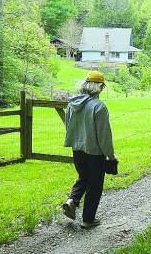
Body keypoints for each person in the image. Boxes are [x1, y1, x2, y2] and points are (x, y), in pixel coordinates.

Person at [63, 70, 115, 229]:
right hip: (95, 152)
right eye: (102, 87)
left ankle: (71, 201)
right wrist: (111, 155)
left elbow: (68, 126)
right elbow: (104, 135)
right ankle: (88, 220)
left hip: (77, 149)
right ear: (99, 87)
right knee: (95, 185)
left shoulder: (72, 104)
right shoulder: (99, 106)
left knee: (83, 177)